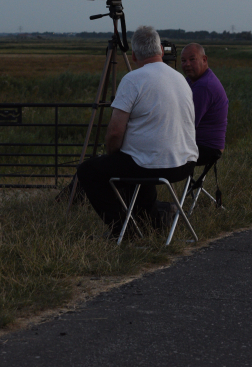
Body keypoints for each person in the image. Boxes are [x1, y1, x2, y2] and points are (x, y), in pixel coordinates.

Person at [77, 26, 198, 235]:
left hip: (151, 166)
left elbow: (115, 132)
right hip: (185, 164)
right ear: (161, 50)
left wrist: (112, 153)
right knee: (137, 159)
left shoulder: (133, 79)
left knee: (88, 171)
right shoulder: (180, 78)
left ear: (133, 55)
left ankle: (123, 230)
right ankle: (151, 222)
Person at [180, 43, 228, 166]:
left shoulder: (204, 86)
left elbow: (187, 123)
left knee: (154, 152)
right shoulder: (192, 80)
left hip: (206, 147)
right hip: (199, 143)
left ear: (204, 59)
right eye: (183, 61)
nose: (187, 64)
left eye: (192, 59)